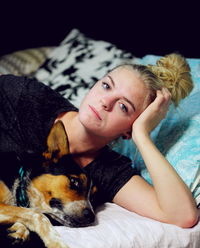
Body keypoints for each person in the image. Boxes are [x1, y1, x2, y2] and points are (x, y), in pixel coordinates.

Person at [0, 53, 198, 228]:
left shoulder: (108, 169)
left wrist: (142, 136)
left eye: (123, 106)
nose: (106, 101)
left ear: (128, 130)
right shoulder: (25, 99)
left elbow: (183, 215)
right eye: (106, 86)